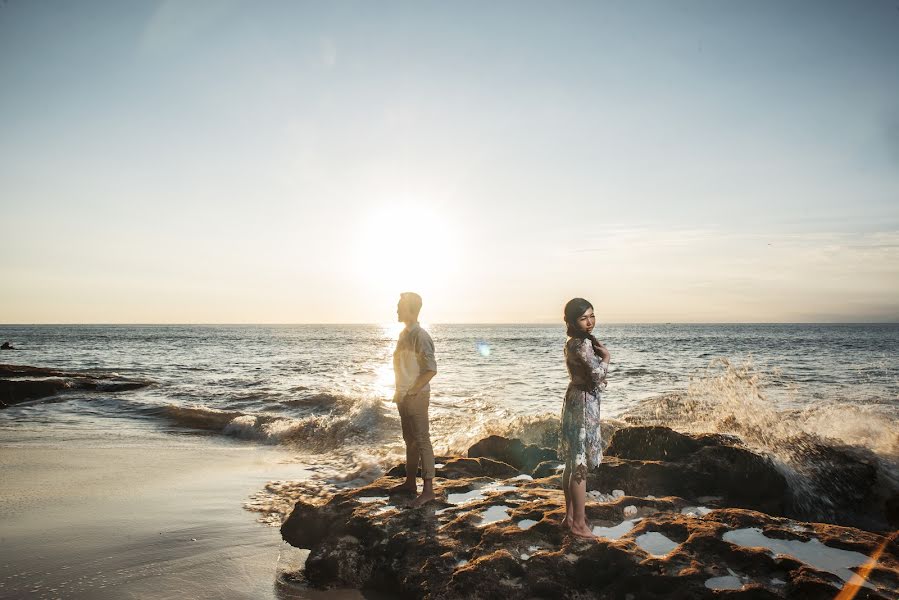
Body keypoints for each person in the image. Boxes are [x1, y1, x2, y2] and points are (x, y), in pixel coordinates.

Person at [560, 297, 611, 538]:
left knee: (573, 460)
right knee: (579, 464)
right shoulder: (582, 345)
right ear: (572, 321)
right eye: (583, 318)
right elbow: (597, 375)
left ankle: (570, 516)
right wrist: (606, 359)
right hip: (583, 403)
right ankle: (579, 524)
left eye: (592, 315)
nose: (590, 322)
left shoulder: (573, 342)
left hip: (574, 399)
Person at [389, 292, 438, 507]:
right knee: (409, 440)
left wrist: (412, 392)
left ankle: (428, 491)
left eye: (400, 306)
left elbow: (430, 370)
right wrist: (401, 393)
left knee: (422, 439)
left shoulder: (421, 336)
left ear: (410, 309)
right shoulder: (403, 334)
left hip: (416, 396)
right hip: (403, 395)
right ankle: (410, 482)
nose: (396, 309)